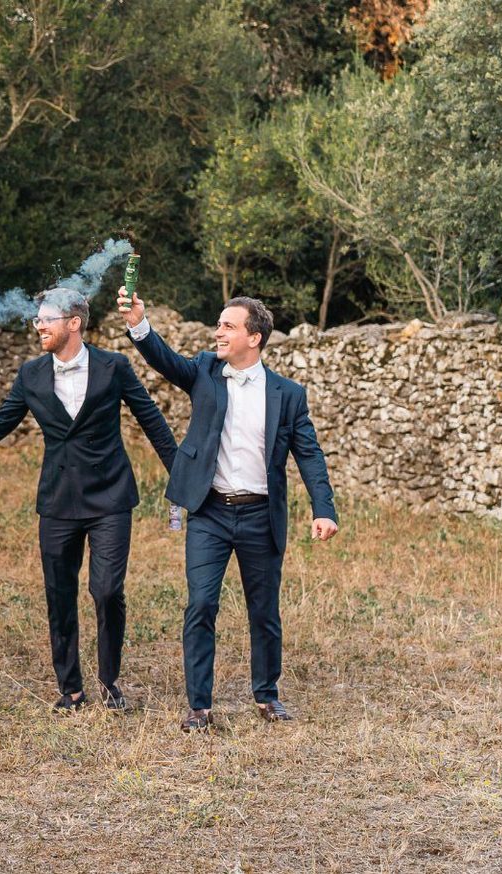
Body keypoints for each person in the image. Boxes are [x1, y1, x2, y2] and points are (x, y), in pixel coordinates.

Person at [120, 292, 338, 731]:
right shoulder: (204, 370)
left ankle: (267, 695)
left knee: (264, 611)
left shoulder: (289, 395)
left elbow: (309, 455)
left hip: (262, 516)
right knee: (201, 604)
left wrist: (323, 508)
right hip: (209, 512)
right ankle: (199, 706)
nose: (218, 332)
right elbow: (165, 360)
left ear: (254, 338)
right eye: (218, 325)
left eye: (228, 326)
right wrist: (140, 325)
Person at [0, 289, 177, 712]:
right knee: (59, 594)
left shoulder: (115, 366)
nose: (38, 325)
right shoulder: (31, 374)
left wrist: (183, 475)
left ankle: (110, 681)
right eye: (37, 319)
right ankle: (71, 687)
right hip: (58, 501)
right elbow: (1, 426)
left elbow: (149, 417)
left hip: (110, 496)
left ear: (73, 323)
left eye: (47, 319)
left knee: (107, 591)